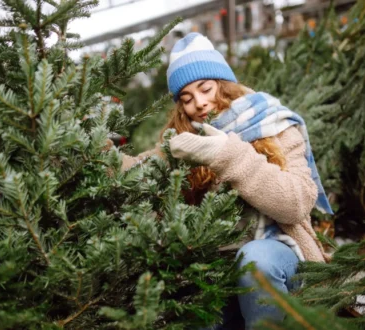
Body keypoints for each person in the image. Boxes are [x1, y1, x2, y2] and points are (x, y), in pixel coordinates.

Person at [121, 32, 332, 329]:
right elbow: (138, 168)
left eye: (205, 88)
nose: (200, 103)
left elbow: (296, 204)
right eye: (187, 98)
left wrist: (227, 155)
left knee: (255, 260)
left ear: (223, 82)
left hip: (276, 257)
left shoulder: (274, 124)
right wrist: (97, 152)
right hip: (216, 269)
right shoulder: (186, 142)